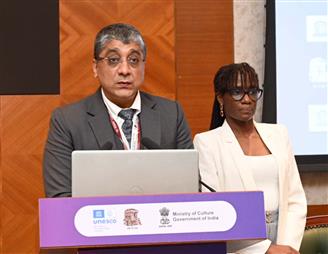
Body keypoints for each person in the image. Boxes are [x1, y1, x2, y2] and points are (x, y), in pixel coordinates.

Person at [43, 23, 193, 198]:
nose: (125, 70)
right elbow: (59, 196)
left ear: (143, 66)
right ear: (95, 67)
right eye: (113, 60)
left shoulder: (171, 114)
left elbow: (189, 186)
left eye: (134, 60)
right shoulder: (68, 121)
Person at [194, 63, 307, 254]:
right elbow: (214, 209)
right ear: (221, 97)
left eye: (253, 92)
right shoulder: (207, 143)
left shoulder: (279, 133)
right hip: (242, 246)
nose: (247, 99)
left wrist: (288, 246)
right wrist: (265, 249)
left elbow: (295, 197)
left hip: (284, 237)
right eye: (238, 92)